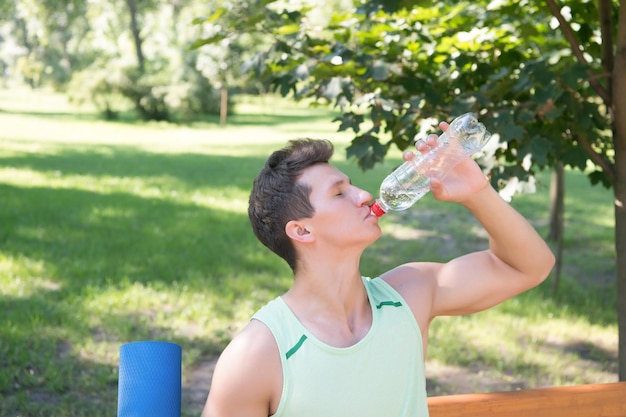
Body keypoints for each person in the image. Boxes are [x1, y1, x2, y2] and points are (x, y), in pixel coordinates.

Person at [202, 121, 556, 417]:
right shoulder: (259, 353)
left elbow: (529, 267)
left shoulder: (410, 294)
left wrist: (476, 192)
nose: (364, 195)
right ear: (302, 230)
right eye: (340, 193)